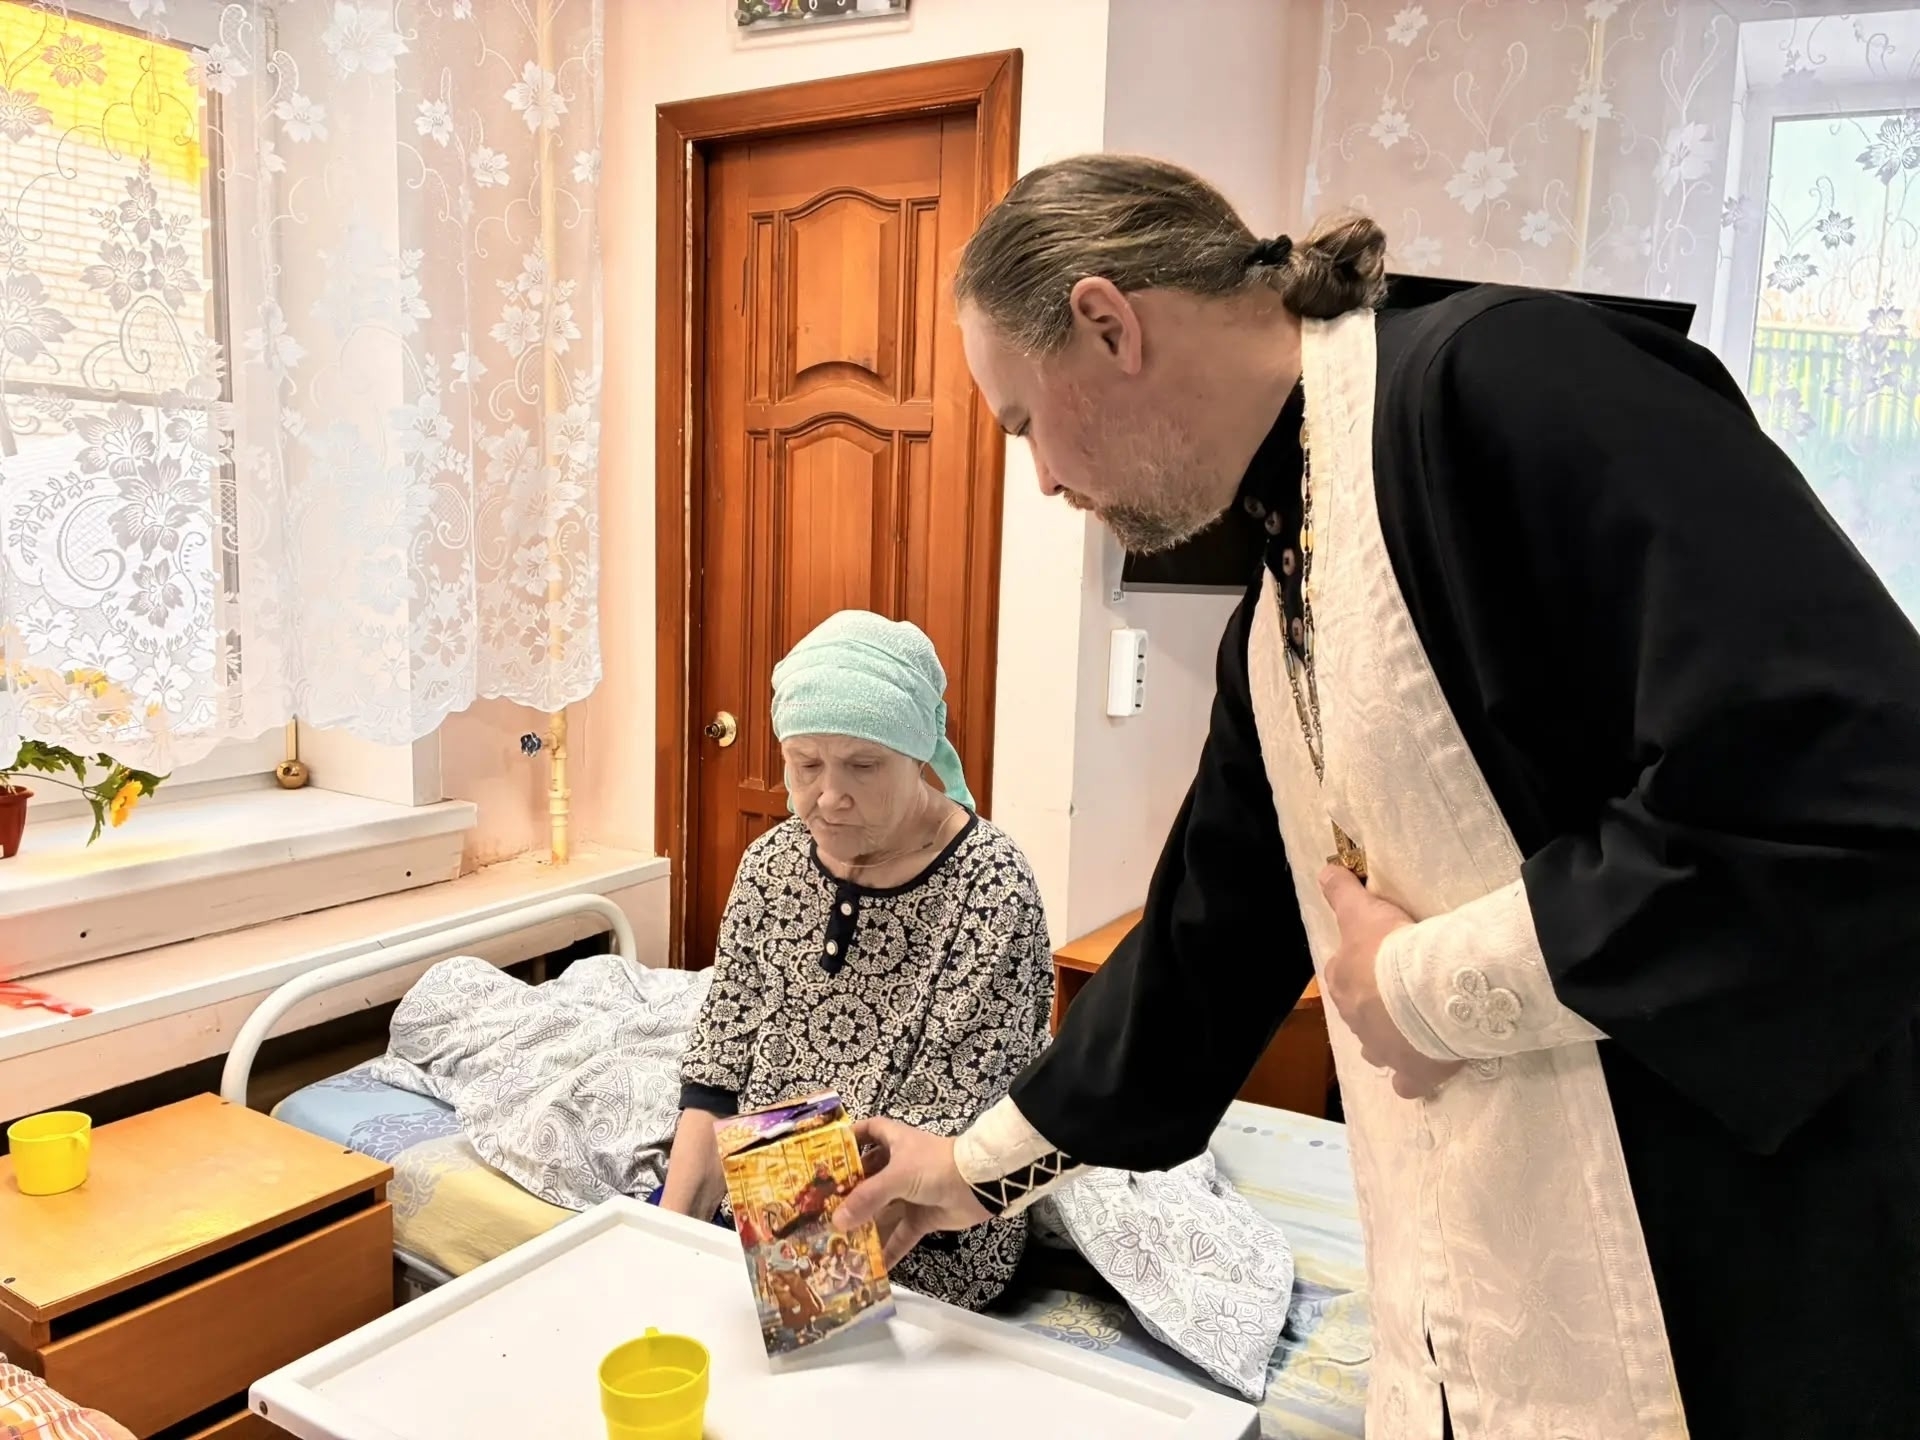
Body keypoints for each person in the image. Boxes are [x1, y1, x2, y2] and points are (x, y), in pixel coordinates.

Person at [833, 154, 1920, 1439]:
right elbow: (1202, 950)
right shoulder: (1277, 603)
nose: (1048, 485)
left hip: (1713, 1276)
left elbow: (1841, 779)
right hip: (1467, 1302)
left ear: (1108, 323)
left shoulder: (1508, 382)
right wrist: (967, 1170)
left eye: (1024, 424)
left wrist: (1421, 987)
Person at [659, 609, 1054, 1312]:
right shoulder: (771, 866)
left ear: (919, 755)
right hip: (761, 1206)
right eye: (805, 764)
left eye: (863, 766)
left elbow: (943, 1138)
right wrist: (669, 1243)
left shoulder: (990, 887)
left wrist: (789, 1274)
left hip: (919, 1240)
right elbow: (718, 1074)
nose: (828, 797)